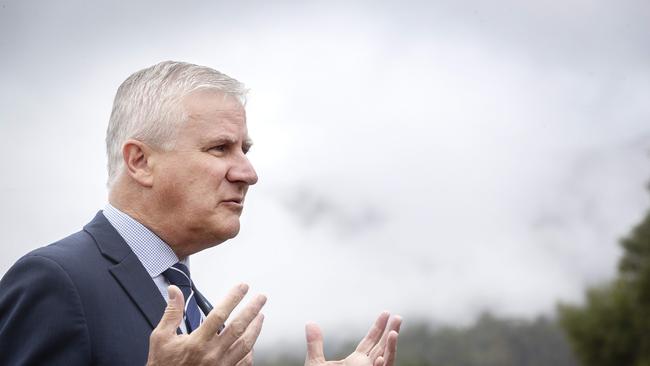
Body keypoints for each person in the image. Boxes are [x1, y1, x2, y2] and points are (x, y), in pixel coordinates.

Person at [0, 61, 401, 365]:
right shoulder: (53, 281)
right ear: (140, 161)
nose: (248, 173)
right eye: (219, 149)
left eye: (245, 149)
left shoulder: (200, 310)